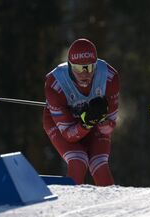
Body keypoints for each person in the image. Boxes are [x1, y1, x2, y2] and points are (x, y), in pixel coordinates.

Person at [43, 38, 119, 185]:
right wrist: (86, 123)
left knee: (100, 164)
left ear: (96, 66)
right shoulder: (55, 83)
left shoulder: (109, 77)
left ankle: (112, 207)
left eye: (90, 68)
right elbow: (68, 135)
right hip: (62, 124)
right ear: (70, 66)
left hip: (92, 124)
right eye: (78, 68)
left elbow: (109, 128)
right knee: (78, 161)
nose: (85, 74)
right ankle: (68, 205)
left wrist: (102, 120)